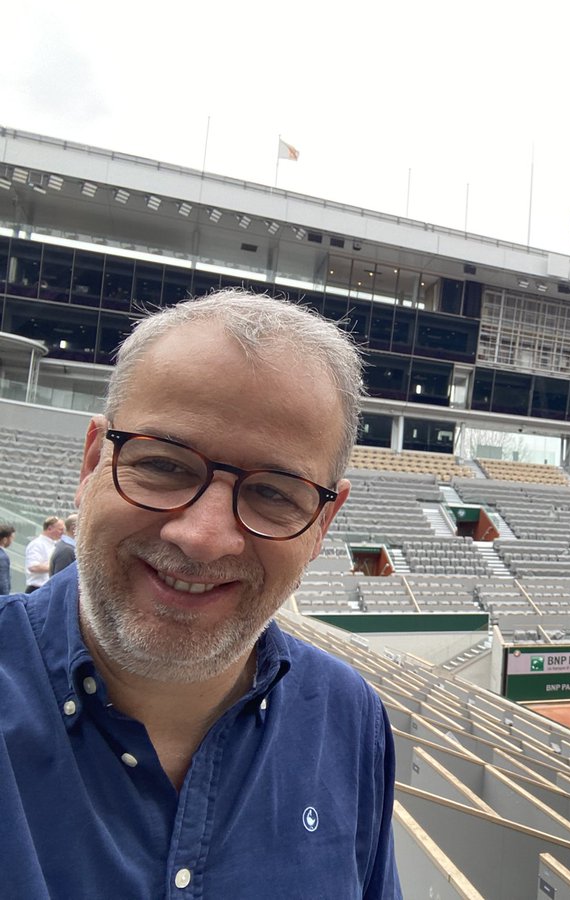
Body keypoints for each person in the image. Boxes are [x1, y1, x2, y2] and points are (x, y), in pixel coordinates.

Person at [1, 290, 402, 898]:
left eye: (274, 493)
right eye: (164, 464)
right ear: (91, 464)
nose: (204, 538)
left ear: (322, 524)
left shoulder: (350, 719)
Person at [23, 514, 64, 591]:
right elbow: (33, 567)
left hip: (48, 588)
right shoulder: (37, 544)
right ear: (49, 529)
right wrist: (57, 566)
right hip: (37, 589)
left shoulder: (56, 544)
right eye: (60, 529)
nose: (62, 533)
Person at [0, 523, 14, 594]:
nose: (12, 541)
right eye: (11, 538)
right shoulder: (3, 557)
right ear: (5, 540)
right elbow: (3, 582)